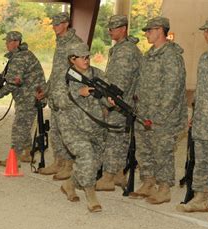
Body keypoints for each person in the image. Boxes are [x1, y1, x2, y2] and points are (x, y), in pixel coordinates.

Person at [176, 15, 208, 220]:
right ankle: (200, 198)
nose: (205, 33)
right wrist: (195, 114)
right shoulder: (205, 57)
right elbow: (201, 89)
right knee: (202, 162)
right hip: (203, 121)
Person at [130, 17, 187, 204]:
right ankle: (148, 182)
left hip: (163, 116)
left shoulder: (171, 56)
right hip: (144, 113)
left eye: (149, 30)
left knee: (162, 150)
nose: (146, 34)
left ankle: (164, 188)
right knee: (144, 148)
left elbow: (173, 89)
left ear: (160, 30)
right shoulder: (150, 54)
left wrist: (160, 116)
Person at [58, 43, 106, 212]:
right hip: (72, 127)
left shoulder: (97, 74)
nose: (86, 60)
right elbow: (59, 101)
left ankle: (69, 184)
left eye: (88, 56)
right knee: (86, 155)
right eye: (82, 57)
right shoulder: (64, 77)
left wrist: (111, 102)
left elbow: (105, 98)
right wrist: (79, 93)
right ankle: (91, 196)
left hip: (95, 127)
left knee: (92, 164)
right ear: (72, 59)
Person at [96, 15, 142, 191]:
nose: (110, 31)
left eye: (113, 28)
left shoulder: (125, 51)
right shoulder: (121, 48)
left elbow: (120, 83)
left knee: (113, 138)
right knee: (119, 138)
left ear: (123, 29)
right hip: (121, 102)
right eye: (109, 28)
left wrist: (109, 104)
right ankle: (118, 174)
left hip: (120, 102)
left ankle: (108, 177)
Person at [37, 12, 84, 181]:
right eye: (53, 24)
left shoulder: (75, 43)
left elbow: (81, 71)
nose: (54, 27)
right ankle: (58, 161)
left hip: (67, 96)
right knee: (56, 130)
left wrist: (75, 94)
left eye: (57, 24)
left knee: (67, 132)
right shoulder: (60, 42)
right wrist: (47, 90)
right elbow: (57, 71)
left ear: (66, 24)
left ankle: (68, 166)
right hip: (56, 95)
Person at [0, 31, 46, 166]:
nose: (6, 45)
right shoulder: (23, 55)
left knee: (19, 127)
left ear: (16, 42)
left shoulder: (19, 58)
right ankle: (27, 153)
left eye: (8, 42)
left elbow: (12, 83)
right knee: (24, 125)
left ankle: (13, 159)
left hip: (29, 98)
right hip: (28, 97)